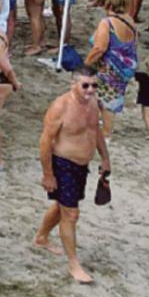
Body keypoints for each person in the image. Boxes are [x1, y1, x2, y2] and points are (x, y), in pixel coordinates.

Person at [35, 67, 112, 284]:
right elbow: (44, 142)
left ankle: (41, 237)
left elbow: (95, 132)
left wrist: (105, 158)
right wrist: (48, 174)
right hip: (62, 164)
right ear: (73, 84)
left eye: (94, 85)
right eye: (85, 85)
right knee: (71, 214)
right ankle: (74, 264)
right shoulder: (60, 107)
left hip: (82, 165)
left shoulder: (94, 104)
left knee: (63, 206)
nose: (90, 90)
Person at [85, 0, 138, 139]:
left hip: (108, 67)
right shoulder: (130, 21)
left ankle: (105, 134)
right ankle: (106, 130)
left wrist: (85, 64)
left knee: (102, 98)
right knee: (112, 98)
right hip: (124, 68)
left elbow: (99, 47)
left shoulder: (107, 23)